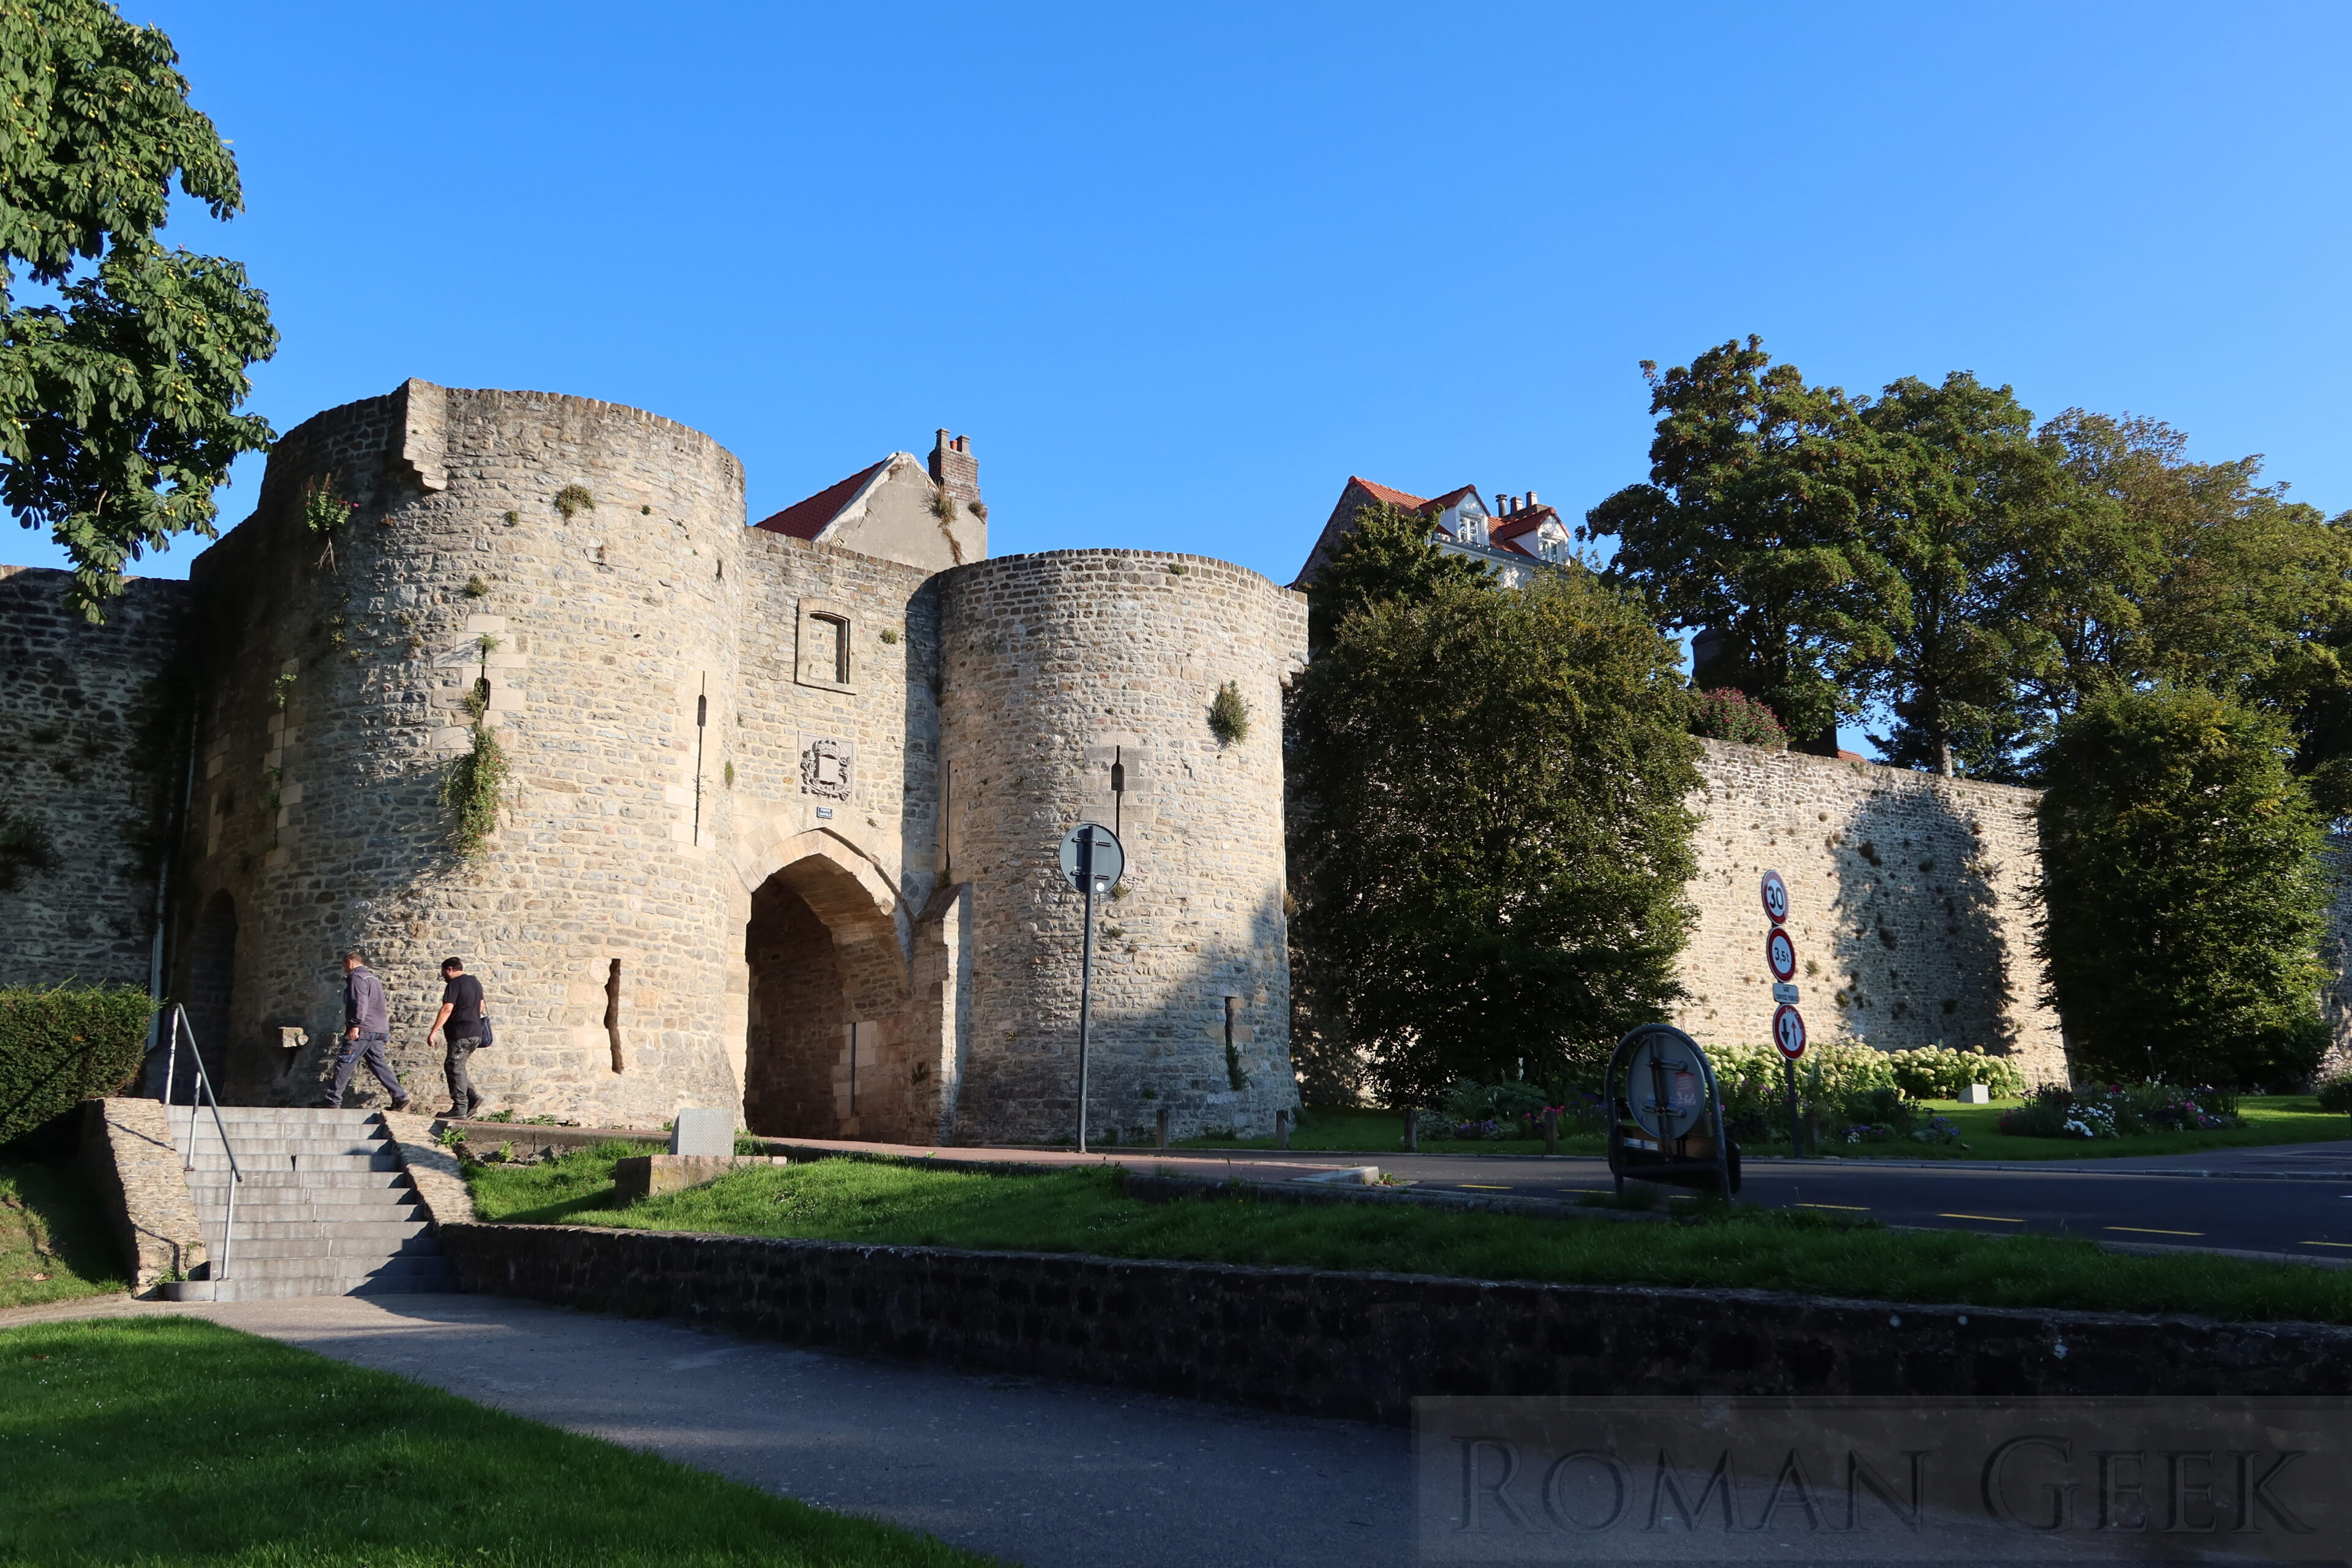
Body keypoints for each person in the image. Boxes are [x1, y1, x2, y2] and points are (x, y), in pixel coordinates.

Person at [325, 951, 410, 1110]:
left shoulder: (356, 977)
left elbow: (359, 1001)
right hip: (380, 1029)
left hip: (363, 1029)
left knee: (345, 1062)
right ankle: (400, 1096)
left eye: (345, 966)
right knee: (377, 1063)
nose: (345, 970)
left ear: (350, 963)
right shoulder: (374, 979)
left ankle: (332, 1101)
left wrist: (355, 1025)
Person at [428, 956, 489, 1118]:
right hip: (476, 1032)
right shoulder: (475, 982)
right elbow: (481, 1005)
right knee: (456, 1067)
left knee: (455, 1068)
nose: (444, 977)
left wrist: (434, 1031)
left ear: (450, 969)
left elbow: (447, 1008)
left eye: (444, 973)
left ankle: (460, 1108)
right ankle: (472, 1097)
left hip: (461, 1033)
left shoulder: (454, 984)